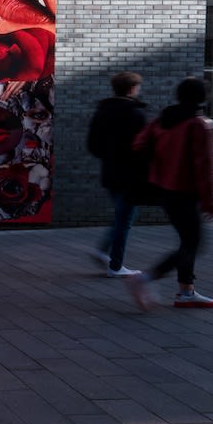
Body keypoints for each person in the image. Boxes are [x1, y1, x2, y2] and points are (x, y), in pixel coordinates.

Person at [124, 77, 213, 311]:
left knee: (188, 241)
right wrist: (209, 200)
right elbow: (203, 166)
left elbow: (138, 145)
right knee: (193, 244)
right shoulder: (199, 124)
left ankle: (186, 292)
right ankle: (144, 279)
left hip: (163, 189)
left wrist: (160, 160)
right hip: (186, 191)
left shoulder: (162, 120)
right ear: (202, 97)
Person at [86, 71, 148, 276]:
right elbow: (144, 147)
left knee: (122, 215)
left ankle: (103, 251)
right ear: (132, 89)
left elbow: (92, 145)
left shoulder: (102, 111)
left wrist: (110, 156)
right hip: (130, 174)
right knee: (125, 219)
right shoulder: (136, 114)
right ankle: (115, 265)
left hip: (110, 170)